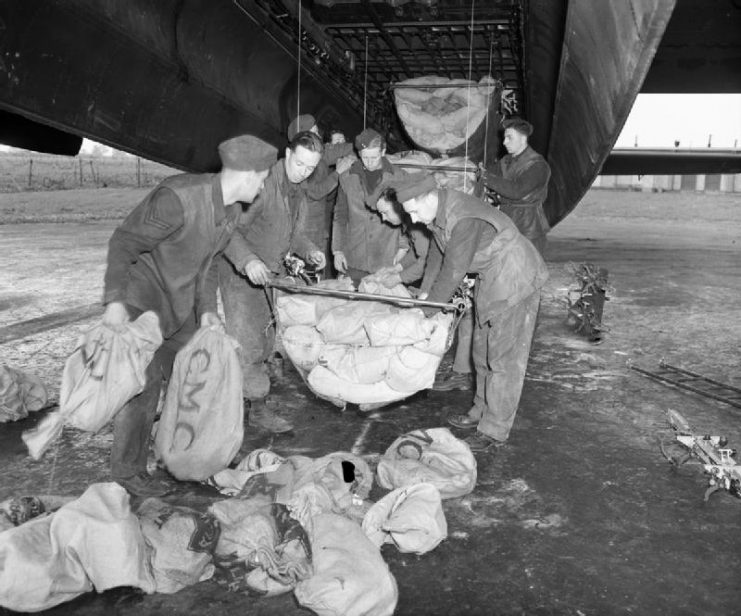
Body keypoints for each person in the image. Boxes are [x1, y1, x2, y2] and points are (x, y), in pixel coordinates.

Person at [102, 134, 277, 496]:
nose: (262, 185)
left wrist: (208, 313)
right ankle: (128, 472)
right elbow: (123, 242)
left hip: (179, 305)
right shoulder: (177, 198)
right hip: (142, 300)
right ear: (246, 174)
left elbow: (208, 266)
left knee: (200, 370)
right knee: (144, 387)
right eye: (262, 177)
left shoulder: (230, 209)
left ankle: (185, 451)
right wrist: (115, 301)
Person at [391, 173, 549, 452]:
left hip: (514, 277)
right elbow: (438, 256)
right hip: (493, 277)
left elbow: (453, 270)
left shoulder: (462, 216)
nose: (413, 220)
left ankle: (494, 430)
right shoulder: (438, 213)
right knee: (481, 348)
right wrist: (426, 295)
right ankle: (479, 412)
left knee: (502, 357)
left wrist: (425, 312)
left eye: (414, 211)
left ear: (429, 197)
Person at [220, 130, 326, 433]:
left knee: (265, 343)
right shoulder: (262, 185)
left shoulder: (297, 190)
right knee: (247, 345)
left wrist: (310, 251)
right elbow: (228, 229)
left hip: (270, 277)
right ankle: (240, 418)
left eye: (310, 168)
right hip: (242, 277)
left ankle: (253, 404)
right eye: (300, 164)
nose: (304, 172)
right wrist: (247, 261)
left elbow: (293, 234)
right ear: (288, 154)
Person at [332, 128, 409, 285]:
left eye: (374, 157)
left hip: (387, 256)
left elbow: (407, 217)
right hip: (354, 256)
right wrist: (337, 251)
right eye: (365, 157)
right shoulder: (346, 178)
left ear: (383, 152)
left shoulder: (400, 177)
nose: (369, 162)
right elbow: (340, 215)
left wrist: (403, 248)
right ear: (359, 153)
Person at [286, 114, 354, 273]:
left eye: (318, 133)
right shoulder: (302, 164)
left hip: (318, 226)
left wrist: (361, 146)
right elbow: (314, 192)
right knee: (308, 272)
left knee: (318, 272)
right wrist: (337, 174)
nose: (319, 137)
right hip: (306, 228)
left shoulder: (319, 154)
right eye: (314, 134)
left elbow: (339, 150)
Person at [480, 117, 551, 256]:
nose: (504, 142)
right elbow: (489, 174)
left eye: (509, 137)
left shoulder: (537, 165)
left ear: (523, 139)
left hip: (529, 227)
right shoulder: (506, 161)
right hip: (507, 220)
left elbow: (516, 191)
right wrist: (474, 171)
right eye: (504, 137)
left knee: (527, 270)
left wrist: (485, 177)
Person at [366, 186, 430, 289]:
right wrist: (396, 268)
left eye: (385, 212)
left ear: (398, 206)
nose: (383, 219)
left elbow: (426, 261)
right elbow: (417, 253)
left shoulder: (417, 223)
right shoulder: (408, 223)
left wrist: (398, 278)